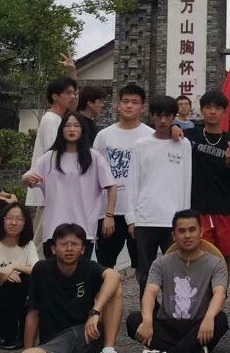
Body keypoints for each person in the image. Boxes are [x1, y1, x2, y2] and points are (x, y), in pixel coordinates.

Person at [0, 222, 130, 353]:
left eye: (75, 244)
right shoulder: (42, 270)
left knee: (114, 288)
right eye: (63, 244)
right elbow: (33, 312)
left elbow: (114, 276)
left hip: (87, 339)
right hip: (55, 346)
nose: (69, 249)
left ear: (83, 249)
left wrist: (95, 311)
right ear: (53, 249)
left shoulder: (88, 267)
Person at [126, 210, 229, 353]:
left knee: (220, 320)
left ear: (201, 232)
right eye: (182, 231)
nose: (187, 235)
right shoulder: (161, 263)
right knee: (134, 320)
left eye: (192, 230)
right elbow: (150, 293)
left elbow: (220, 294)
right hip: (168, 324)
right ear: (174, 235)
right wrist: (147, 321)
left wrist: (209, 318)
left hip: (199, 326)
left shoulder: (215, 263)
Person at [21, 111, 118, 247]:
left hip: (84, 230)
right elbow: (26, 179)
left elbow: (112, 185)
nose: (72, 129)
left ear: (82, 130)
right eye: (67, 125)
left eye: (76, 126)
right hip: (53, 231)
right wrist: (26, 178)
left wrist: (109, 215)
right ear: (61, 130)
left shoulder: (94, 157)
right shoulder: (50, 157)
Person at [128, 95, 193, 292]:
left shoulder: (183, 144)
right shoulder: (141, 145)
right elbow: (133, 181)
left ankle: (173, 309)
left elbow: (186, 181)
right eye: (158, 116)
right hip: (145, 218)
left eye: (167, 116)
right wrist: (132, 218)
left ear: (174, 116)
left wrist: (185, 218)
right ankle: (148, 310)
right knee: (145, 272)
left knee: (176, 272)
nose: (163, 120)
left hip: (173, 220)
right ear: (152, 116)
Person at [184, 89, 230, 275]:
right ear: (202, 110)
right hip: (198, 205)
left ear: (224, 111)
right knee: (199, 254)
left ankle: (221, 290)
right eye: (208, 107)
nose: (212, 112)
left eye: (217, 108)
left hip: (224, 205)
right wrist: (174, 129)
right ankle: (201, 291)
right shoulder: (190, 135)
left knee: (223, 255)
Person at [95, 83, 151, 270]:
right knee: (104, 266)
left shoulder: (151, 136)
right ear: (118, 105)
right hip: (109, 213)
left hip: (140, 212)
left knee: (143, 267)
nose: (129, 106)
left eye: (134, 102)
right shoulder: (104, 136)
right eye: (125, 101)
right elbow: (96, 174)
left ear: (142, 107)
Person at [0, 201, 39, 349]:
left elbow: (38, 270)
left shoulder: (28, 245)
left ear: (25, 223)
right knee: (10, 282)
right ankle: (6, 337)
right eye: (10, 218)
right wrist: (1, 274)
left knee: (24, 279)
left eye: (19, 219)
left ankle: (17, 334)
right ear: (2, 220)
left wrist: (12, 267)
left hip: (16, 300)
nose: (14, 223)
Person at [26, 75, 78, 228]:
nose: (73, 97)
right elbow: (54, 155)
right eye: (68, 93)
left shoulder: (59, 119)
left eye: (74, 93)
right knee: (46, 237)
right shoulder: (51, 120)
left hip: (54, 192)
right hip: (50, 192)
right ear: (55, 96)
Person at [76, 84, 107, 148]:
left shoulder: (91, 124)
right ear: (90, 103)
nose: (102, 105)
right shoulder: (76, 124)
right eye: (100, 102)